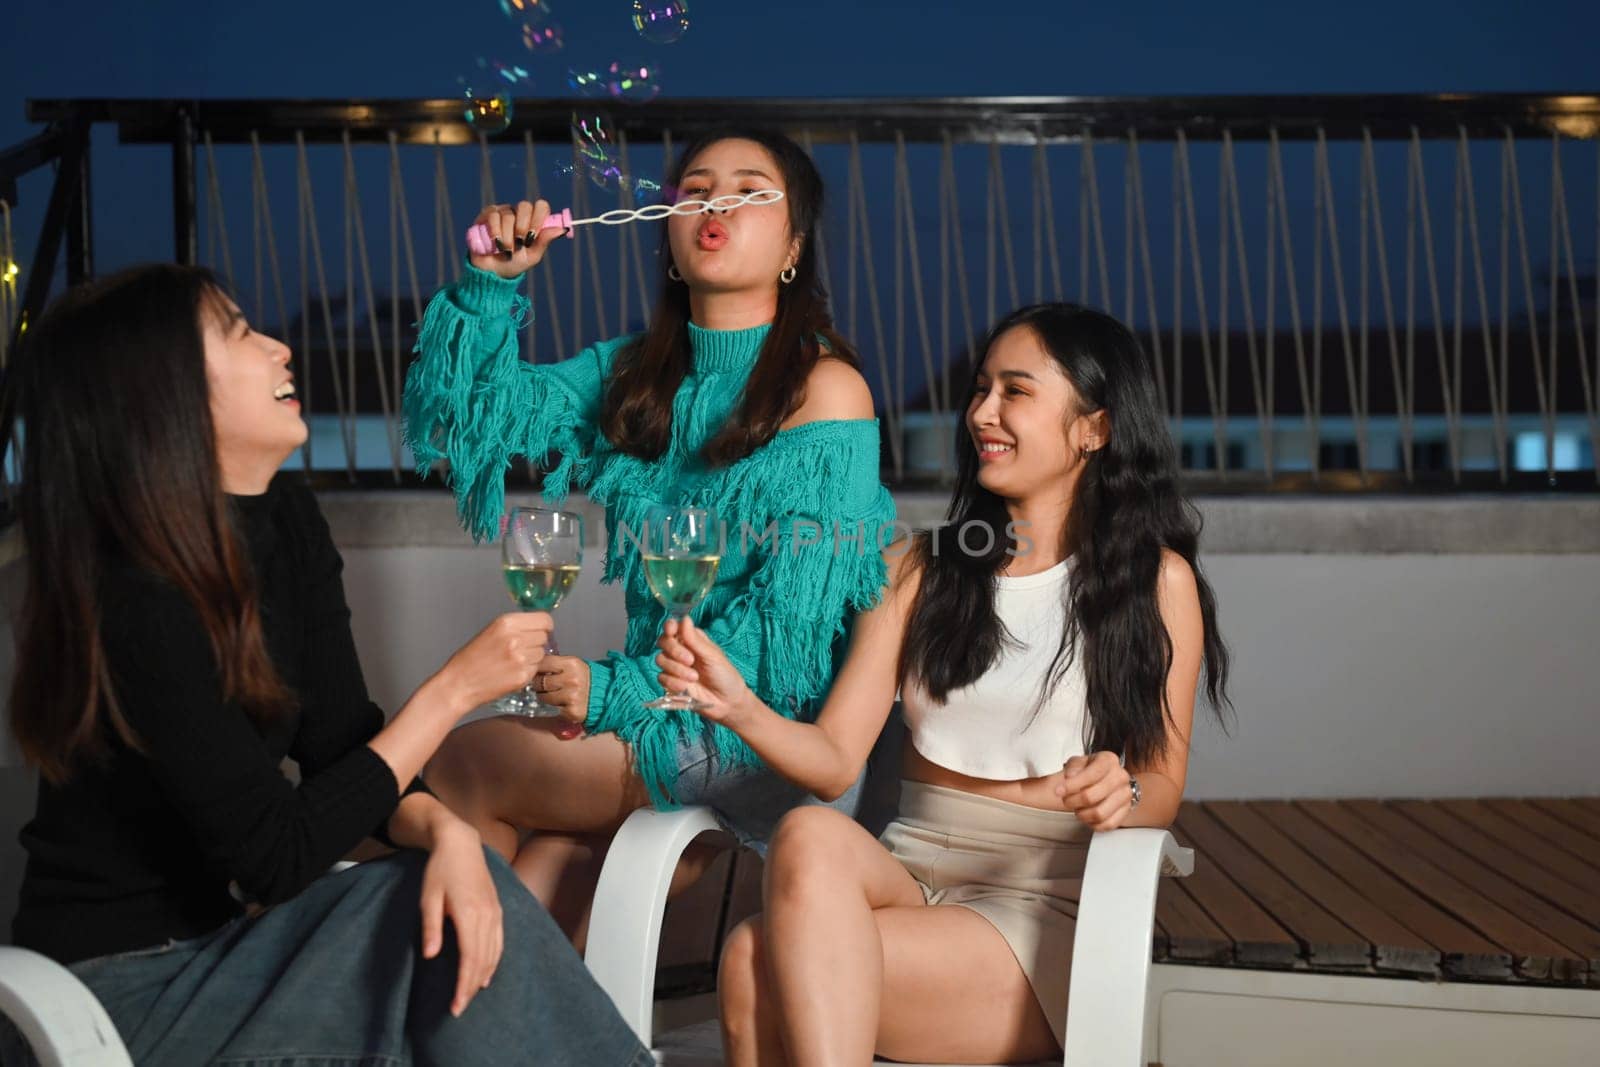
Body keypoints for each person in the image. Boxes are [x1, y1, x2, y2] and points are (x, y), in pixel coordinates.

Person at [2, 265, 651, 1067]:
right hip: (116, 994)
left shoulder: (286, 522)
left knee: (451, 894)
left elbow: (344, 747)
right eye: (240, 332)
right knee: (420, 910)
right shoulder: (134, 597)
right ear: (164, 396)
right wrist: (452, 691)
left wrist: (448, 831)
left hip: (221, 952)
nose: (279, 347)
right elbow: (276, 856)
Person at [655, 303, 1231, 1065]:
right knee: (806, 832)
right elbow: (833, 758)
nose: (981, 413)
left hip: (1038, 902)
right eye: (980, 389)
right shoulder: (919, 570)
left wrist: (1116, 789)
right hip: (906, 871)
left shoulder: (1156, 583)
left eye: (1015, 391)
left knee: (751, 961)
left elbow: (1159, 784)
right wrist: (738, 706)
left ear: (1093, 426)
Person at [406, 127, 895, 943]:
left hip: (760, 733)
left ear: (793, 248)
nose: (717, 203)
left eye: (748, 191)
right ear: (669, 231)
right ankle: (496, 1024)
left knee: (458, 763)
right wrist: (491, 290)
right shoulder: (633, 374)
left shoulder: (828, 391)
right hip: (656, 711)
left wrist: (615, 692)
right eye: (697, 189)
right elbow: (471, 427)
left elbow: (790, 639)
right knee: (542, 876)